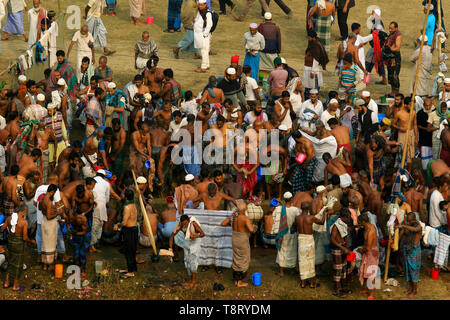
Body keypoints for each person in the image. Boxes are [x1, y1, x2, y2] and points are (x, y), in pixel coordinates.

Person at [1, 205, 35, 291]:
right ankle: (15, 285)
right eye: (25, 213)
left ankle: (7, 282)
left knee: (11, 261)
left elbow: (2, 229)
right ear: (24, 212)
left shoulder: (9, 219)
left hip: (10, 241)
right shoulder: (24, 222)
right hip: (18, 244)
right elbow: (24, 237)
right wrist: (31, 241)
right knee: (18, 264)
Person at [220, 201, 254, 287]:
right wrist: (251, 225)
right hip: (242, 240)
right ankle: (239, 282)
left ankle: (237, 280)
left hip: (235, 239)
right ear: (243, 210)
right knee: (244, 258)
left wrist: (231, 217)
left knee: (236, 257)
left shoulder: (233, 217)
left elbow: (223, 223)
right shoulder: (245, 218)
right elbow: (251, 230)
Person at [296, 201, 327, 288]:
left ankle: (303, 282)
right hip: (309, 239)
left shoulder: (297, 218)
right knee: (310, 260)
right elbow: (322, 222)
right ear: (308, 209)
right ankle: (312, 283)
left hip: (300, 239)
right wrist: (324, 213)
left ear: (301, 208)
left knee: (302, 261)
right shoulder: (311, 218)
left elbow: (295, 227)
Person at [169, 214, 205, 289]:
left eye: (186, 223)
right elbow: (172, 236)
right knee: (187, 261)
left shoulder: (193, 223)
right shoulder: (180, 225)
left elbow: (202, 234)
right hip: (187, 241)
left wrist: (196, 236)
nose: (184, 225)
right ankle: (191, 280)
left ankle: (194, 282)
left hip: (195, 243)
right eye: (183, 224)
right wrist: (170, 249)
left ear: (188, 221)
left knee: (193, 261)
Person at [273, 192, 299, 276]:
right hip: (292, 232)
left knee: (282, 251)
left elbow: (274, 216)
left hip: (282, 232)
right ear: (292, 199)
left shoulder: (279, 209)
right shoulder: (295, 210)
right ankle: (293, 269)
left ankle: (281, 271)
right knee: (292, 250)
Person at [114, 189, 138, 279]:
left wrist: (117, 225)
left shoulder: (127, 207)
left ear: (126, 197)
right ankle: (131, 268)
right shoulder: (133, 204)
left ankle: (131, 271)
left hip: (129, 230)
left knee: (129, 250)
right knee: (131, 250)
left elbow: (124, 222)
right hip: (134, 229)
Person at [398, 212, 422, 298]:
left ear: (413, 220)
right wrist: (395, 240)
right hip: (406, 250)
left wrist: (404, 226)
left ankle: (415, 291)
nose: (407, 223)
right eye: (406, 221)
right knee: (407, 270)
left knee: (414, 271)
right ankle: (411, 288)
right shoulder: (408, 225)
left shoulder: (418, 226)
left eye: (409, 221)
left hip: (414, 252)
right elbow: (403, 233)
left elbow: (415, 230)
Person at [392, 96, 418, 172]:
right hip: (402, 135)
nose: (412, 106)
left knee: (410, 155)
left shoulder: (413, 112)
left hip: (411, 133)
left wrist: (416, 138)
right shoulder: (399, 113)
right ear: (405, 105)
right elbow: (393, 124)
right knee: (402, 153)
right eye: (410, 105)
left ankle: (408, 173)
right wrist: (400, 128)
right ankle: (400, 172)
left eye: (413, 105)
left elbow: (415, 125)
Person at [330, 208, 352, 297]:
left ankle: (342, 287)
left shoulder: (342, 224)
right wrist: (342, 247)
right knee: (338, 270)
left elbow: (345, 231)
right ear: (344, 217)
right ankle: (337, 290)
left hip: (342, 248)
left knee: (343, 268)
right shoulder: (336, 226)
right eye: (348, 217)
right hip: (337, 249)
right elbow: (332, 239)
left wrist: (354, 227)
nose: (349, 219)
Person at [357, 213, 379, 300]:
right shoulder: (368, 227)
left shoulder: (370, 231)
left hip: (371, 253)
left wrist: (360, 250)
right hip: (368, 252)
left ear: (363, 222)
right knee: (366, 271)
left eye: (359, 222)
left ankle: (372, 294)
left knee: (371, 274)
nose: (359, 223)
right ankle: (367, 289)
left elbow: (368, 247)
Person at [303, 30, 328, 99]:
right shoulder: (312, 43)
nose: (308, 38)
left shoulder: (315, 45)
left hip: (313, 70)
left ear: (312, 37)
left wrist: (313, 71)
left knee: (313, 89)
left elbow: (316, 59)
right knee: (308, 87)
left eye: (308, 37)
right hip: (309, 68)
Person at [257, 13, 281, 78]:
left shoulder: (260, 27)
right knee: (272, 67)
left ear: (264, 19)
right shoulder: (276, 28)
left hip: (263, 50)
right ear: (271, 19)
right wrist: (278, 51)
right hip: (273, 50)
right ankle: (271, 80)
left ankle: (261, 80)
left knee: (262, 66)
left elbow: (258, 39)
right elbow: (279, 40)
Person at [193, 0, 212, 73]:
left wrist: (205, 34)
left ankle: (203, 67)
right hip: (199, 34)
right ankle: (207, 64)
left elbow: (209, 25)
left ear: (205, 5)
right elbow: (198, 20)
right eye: (199, 5)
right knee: (205, 50)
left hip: (203, 35)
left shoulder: (208, 13)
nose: (200, 6)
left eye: (201, 5)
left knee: (204, 51)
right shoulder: (200, 12)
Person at [384, 22, 402, 97]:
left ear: (396, 28)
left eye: (391, 28)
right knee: (390, 75)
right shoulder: (391, 35)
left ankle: (396, 93)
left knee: (395, 75)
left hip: (395, 58)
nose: (390, 30)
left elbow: (397, 48)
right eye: (389, 28)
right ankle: (392, 92)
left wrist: (390, 48)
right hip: (389, 57)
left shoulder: (398, 35)